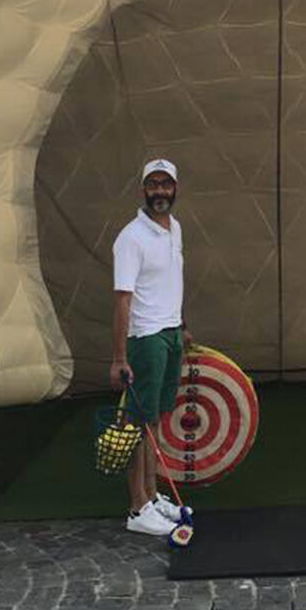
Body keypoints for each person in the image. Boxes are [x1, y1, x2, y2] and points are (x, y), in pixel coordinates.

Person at [111, 157, 194, 535]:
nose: (159, 191)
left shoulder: (174, 227)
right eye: (153, 184)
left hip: (170, 333)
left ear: (175, 188)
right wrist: (119, 357)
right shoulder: (131, 238)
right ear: (143, 189)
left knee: (155, 419)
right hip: (145, 338)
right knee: (137, 423)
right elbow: (122, 299)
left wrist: (181, 325)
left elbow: (171, 281)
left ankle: (152, 495)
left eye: (165, 184)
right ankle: (137, 508)